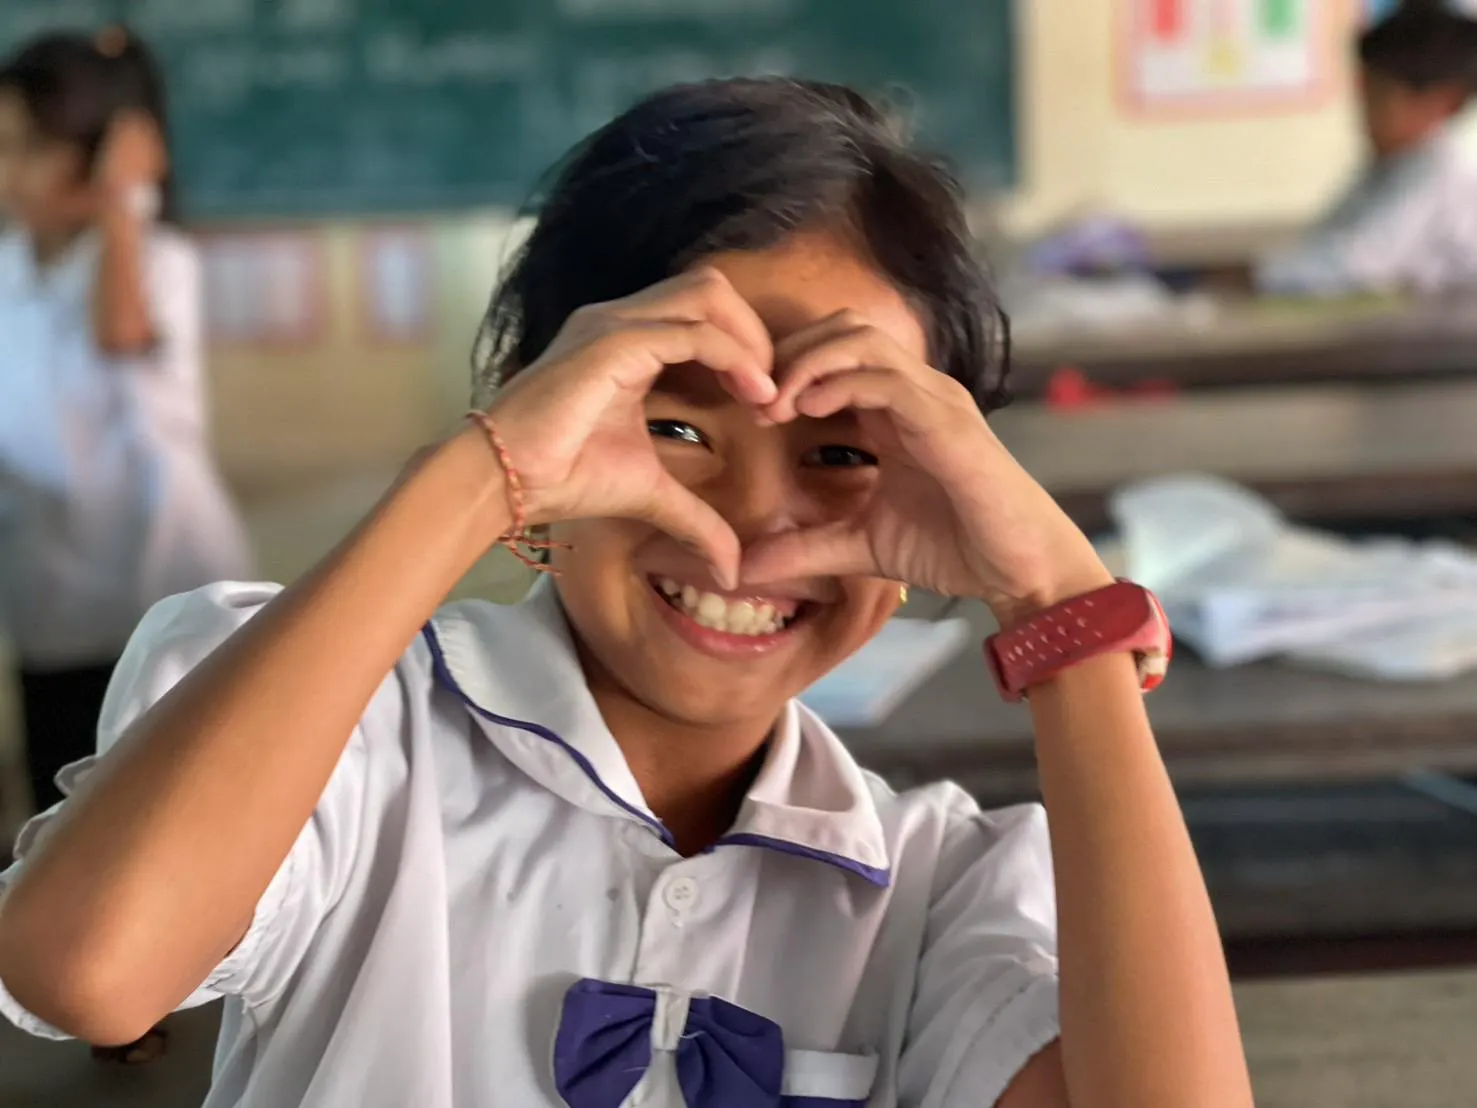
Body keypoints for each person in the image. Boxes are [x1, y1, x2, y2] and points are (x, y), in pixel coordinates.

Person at [0, 79, 1252, 1107]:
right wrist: (479, 475)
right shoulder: (347, 734)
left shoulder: (934, 889)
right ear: (537, 408)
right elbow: (89, 973)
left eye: (841, 452)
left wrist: (1058, 604)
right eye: (675, 425)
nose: (745, 533)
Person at [0, 29, 251, 821]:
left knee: (169, 823)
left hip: (163, 594)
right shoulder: (8, 267)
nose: (5, 170)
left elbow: (118, 333)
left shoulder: (154, 260)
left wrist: (123, 200)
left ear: (96, 156)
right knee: (59, 826)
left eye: (25, 147)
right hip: (49, 609)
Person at [1257, 3, 1477, 296]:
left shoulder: (1438, 174)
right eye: (1364, 94)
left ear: (1446, 102)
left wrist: (1253, 275)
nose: (1365, 111)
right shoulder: (1387, 168)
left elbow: (1356, 265)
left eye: (1380, 96)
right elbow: (1325, 240)